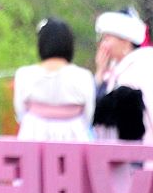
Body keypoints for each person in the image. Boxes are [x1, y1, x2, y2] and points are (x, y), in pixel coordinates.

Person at [12, 18, 95, 141]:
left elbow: (20, 114)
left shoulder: (24, 75)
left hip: (33, 139)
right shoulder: (83, 76)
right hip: (74, 142)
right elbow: (88, 117)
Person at [93, 8, 153, 144]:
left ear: (126, 41)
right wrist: (100, 73)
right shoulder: (117, 71)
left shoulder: (142, 66)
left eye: (107, 39)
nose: (102, 45)